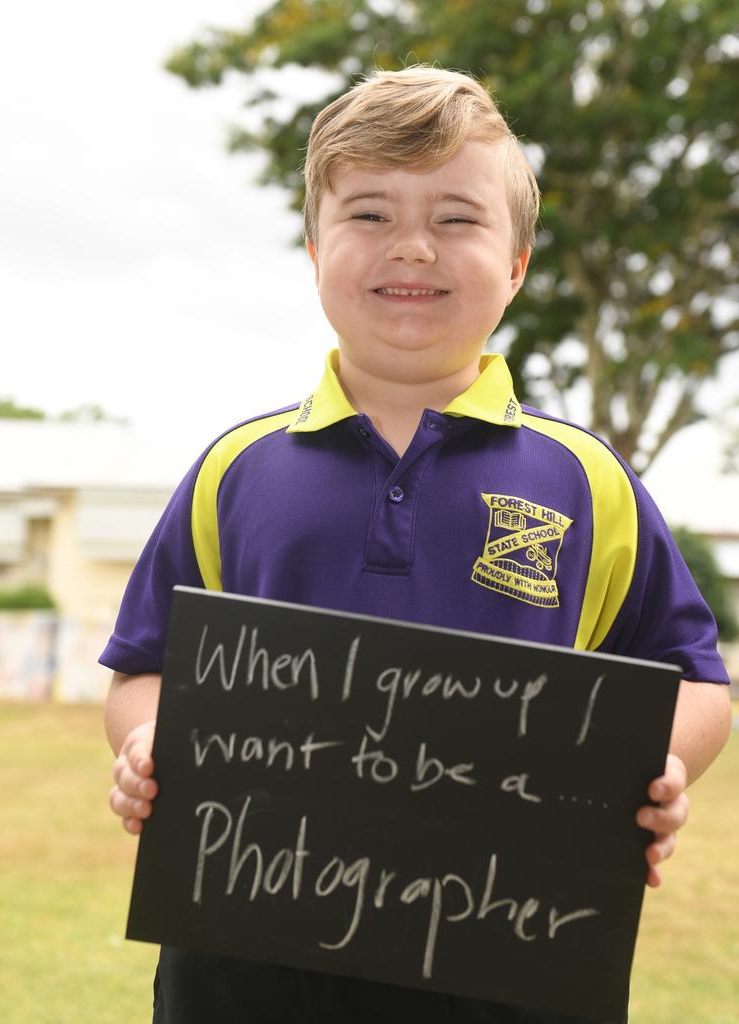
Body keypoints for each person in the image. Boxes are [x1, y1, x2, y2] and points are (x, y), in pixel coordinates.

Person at [101, 66, 732, 1024]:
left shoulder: (585, 478)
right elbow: (145, 667)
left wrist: (650, 773)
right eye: (368, 214)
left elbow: (694, 679)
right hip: (245, 941)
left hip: (513, 942)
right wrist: (148, 740)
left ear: (517, 262)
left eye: (456, 217)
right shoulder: (236, 469)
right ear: (314, 249)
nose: (412, 247)